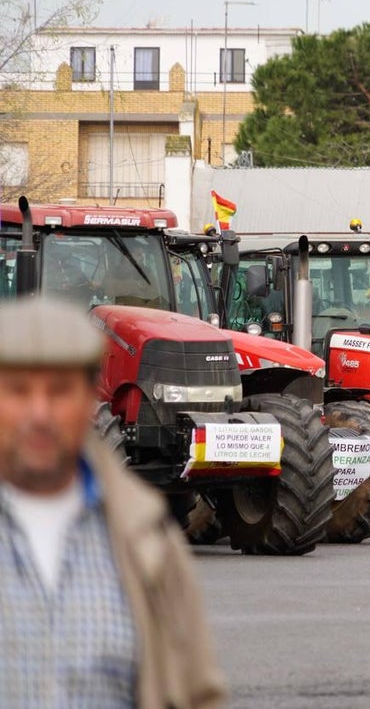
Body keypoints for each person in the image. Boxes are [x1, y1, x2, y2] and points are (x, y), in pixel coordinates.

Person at [0, 296, 226, 708]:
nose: (39, 413)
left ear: (89, 396)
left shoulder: (147, 542)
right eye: (18, 391)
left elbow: (194, 691)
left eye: (59, 391)